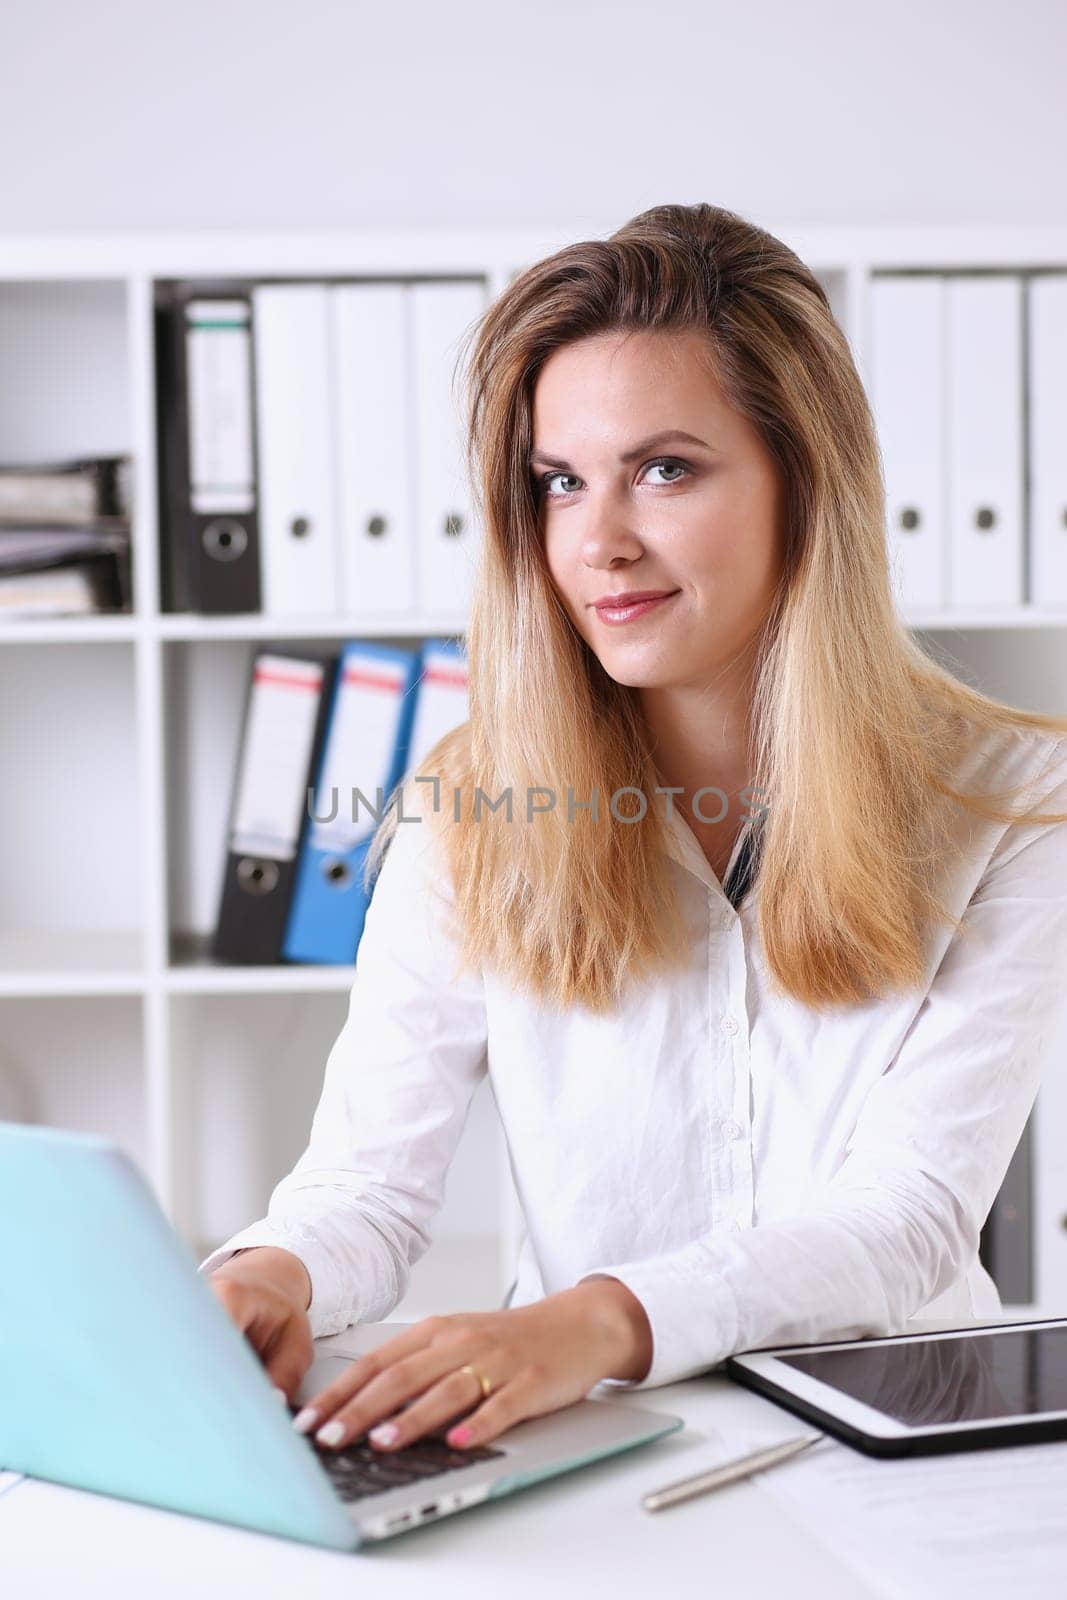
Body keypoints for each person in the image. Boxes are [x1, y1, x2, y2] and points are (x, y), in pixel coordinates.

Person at [201, 201, 1067, 1462]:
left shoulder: (1013, 800)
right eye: (559, 482)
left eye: (664, 468)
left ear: (801, 478)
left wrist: (598, 1319)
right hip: (587, 1448)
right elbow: (365, 1187)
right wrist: (269, 1272)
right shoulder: (469, 809)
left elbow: (907, 1218)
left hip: (897, 1453)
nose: (597, 541)